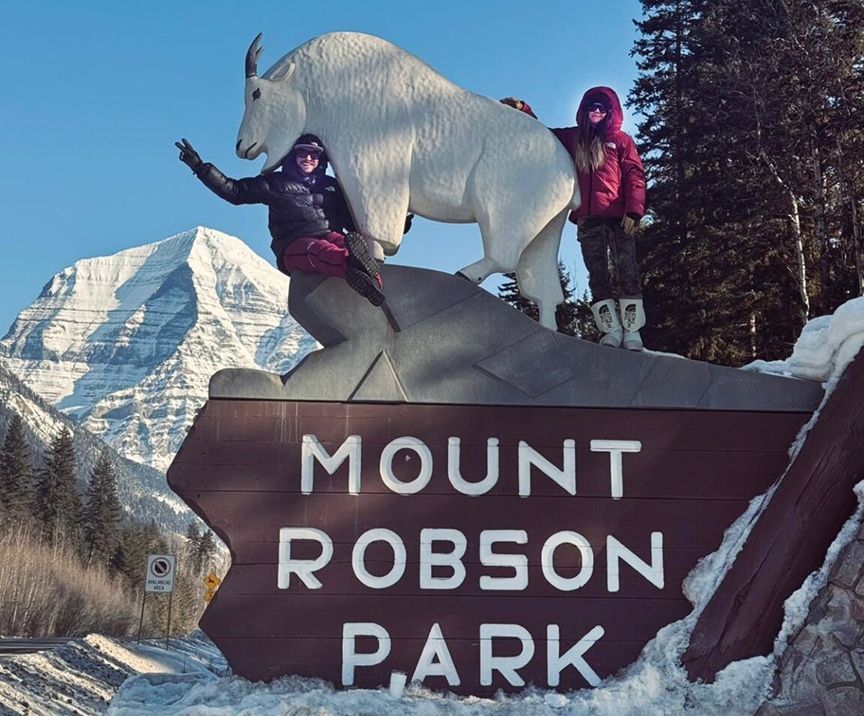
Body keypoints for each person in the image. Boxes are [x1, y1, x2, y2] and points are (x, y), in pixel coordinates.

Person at [501, 88, 647, 350]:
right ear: (585, 110)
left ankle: (632, 331)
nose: (597, 113)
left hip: (619, 217)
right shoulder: (575, 138)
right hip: (588, 220)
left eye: (602, 109)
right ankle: (610, 329)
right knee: (597, 274)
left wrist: (634, 210)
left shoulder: (621, 141)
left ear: (610, 112)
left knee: (627, 271)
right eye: (592, 108)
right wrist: (524, 110)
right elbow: (544, 137)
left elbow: (634, 174)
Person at [175, 134, 385, 306]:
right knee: (319, 250)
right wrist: (200, 168)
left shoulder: (331, 186)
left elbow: (352, 221)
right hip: (293, 244)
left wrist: (398, 225)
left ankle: (373, 283)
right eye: (302, 152)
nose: (308, 158)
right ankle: (351, 267)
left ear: (322, 159)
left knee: (352, 243)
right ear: (293, 155)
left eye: (314, 154)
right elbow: (235, 192)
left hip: (332, 234)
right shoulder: (276, 183)